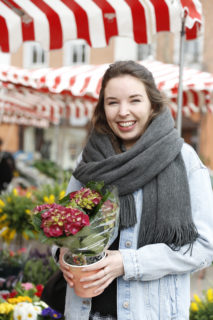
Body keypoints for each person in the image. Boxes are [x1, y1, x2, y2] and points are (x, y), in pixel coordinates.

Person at [58, 61, 213, 320]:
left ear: (152, 104)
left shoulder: (183, 159)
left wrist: (127, 263)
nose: (123, 112)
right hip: (85, 312)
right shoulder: (90, 159)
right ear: (103, 107)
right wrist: (63, 254)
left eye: (134, 100)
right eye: (113, 102)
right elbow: (66, 228)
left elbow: (204, 247)